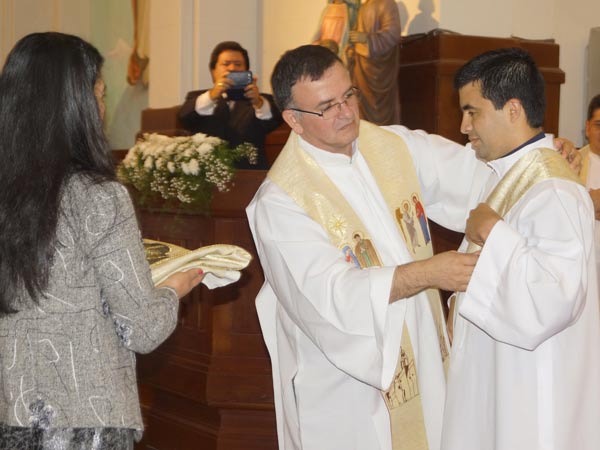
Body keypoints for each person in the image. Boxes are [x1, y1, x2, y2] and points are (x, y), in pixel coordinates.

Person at [247, 44, 484, 450]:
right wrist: (429, 273)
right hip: (351, 390)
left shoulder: (392, 145)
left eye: (349, 96)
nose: (346, 112)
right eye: (327, 107)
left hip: (425, 354)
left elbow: (477, 176)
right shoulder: (280, 202)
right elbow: (330, 296)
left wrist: (537, 153)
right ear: (293, 120)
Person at [0, 32, 204, 450]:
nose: (102, 107)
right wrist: (175, 286)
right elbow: (142, 327)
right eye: (99, 94)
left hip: (10, 413)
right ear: (73, 105)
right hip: (84, 421)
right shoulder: (97, 197)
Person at [442, 48, 600, 450]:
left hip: (530, 393)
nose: (463, 126)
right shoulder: (504, 173)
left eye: (472, 112)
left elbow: (553, 299)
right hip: (499, 379)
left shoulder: (554, 190)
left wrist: (492, 232)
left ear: (512, 109)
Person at [178, 41, 283, 169]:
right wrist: (212, 95)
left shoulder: (261, 101)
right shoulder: (198, 98)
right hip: (207, 173)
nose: (232, 68)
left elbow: (273, 120)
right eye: (226, 64)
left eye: (238, 64)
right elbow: (184, 117)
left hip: (250, 174)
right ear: (213, 71)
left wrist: (258, 102)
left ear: (246, 71)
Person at [346, 0, 402, 125]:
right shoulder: (363, 7)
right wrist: (351, 47)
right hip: (361, 66)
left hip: (380, 70)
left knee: (379, 110)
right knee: (360, 102)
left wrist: (367, 38)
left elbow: (393, 34)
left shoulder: (387, 4)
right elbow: (356, 32)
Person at [579, 94, 600, 285]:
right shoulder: (569, 163)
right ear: (587, 128)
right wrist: (588, 202)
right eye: (598, 125)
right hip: (582, 264)